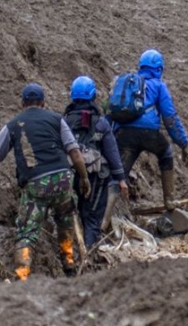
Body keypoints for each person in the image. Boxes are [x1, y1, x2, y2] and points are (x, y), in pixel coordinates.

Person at [0, 83, 90, 280]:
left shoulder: (13, 125)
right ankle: (69, 264)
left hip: (35, 182)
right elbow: (74, 152)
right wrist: (83, 178)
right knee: (65, 220)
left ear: (23, 103)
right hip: (63, 178)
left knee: (27, 231)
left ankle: (22, 274)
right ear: (43, 103)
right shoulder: (57, 120)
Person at [114, 49, 188, 211]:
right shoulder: (159, 85)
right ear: (159, 69)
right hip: (149, 134)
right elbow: (170, 118)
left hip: (125, 134)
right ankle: (169, 201)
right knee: (166, 153)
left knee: (119, 174)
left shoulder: (129, 84)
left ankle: (105, 219)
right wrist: (184, 143)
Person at [63, 76, 130, 249]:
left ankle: (73, 254)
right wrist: (121, 179)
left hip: (69, 175)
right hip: (96, 178)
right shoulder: (101, 123)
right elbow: (112, 152)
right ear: (93, 96)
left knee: (70, 215)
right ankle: (90, 256)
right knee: (92, 218)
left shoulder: (64, 122)